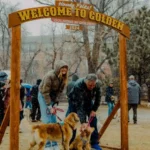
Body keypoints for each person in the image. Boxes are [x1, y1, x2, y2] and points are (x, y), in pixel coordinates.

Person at [38, 60, 68, 150]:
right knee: (47, 119)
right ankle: (47, 145)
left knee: (53, 121)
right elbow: (45, 92)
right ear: (58, 68)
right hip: (43, 96)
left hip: (52, 97)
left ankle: (54, 144)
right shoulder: (49, 76)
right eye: (62, 68)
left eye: (66, 68)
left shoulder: (63, 78)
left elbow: (59, 92)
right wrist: (49, 106)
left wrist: (55, 105)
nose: (64, 70)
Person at [67, 73, 102, 150]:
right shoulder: (78, 86)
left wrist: (94, 110)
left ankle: (94, 143)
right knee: (72, 122)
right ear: (86, 82)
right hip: (74, 101)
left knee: (93, 119)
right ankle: (70, 143)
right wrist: (83, 122)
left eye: (93, 85)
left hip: (88, 101)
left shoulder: (97, 85)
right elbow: (80, 106)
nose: (92, 87)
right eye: (90, 85)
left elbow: (98, 98)